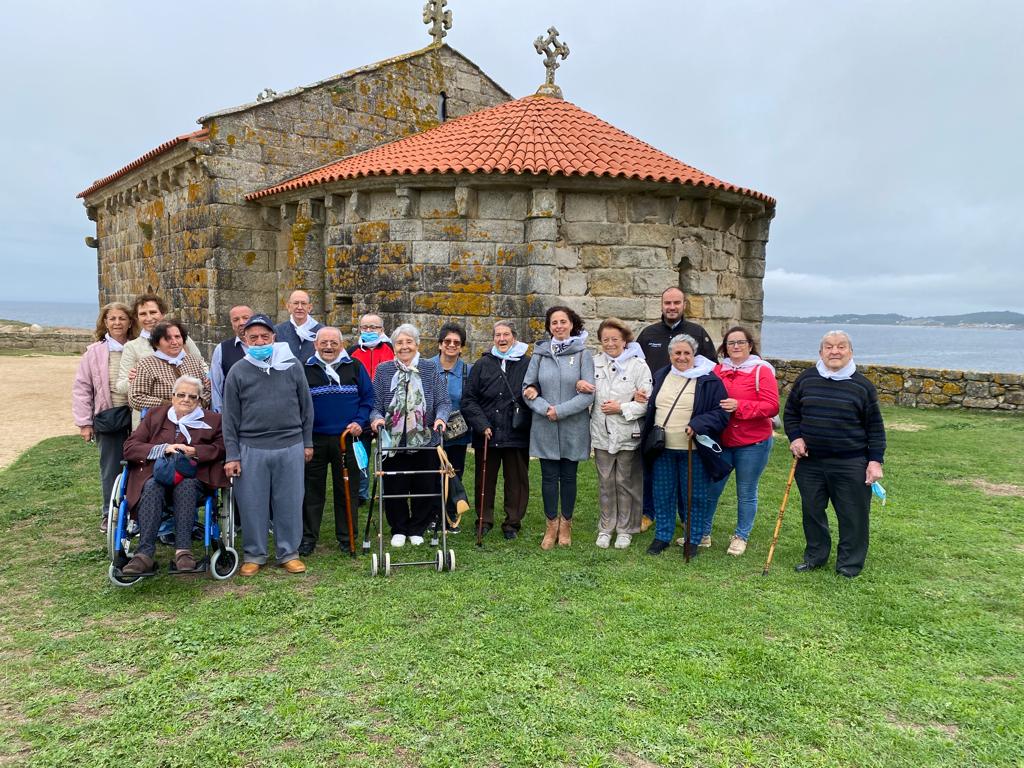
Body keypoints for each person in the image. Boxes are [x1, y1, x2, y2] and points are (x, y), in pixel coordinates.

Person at [784, 330, 886, 578]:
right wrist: (795, 437)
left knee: (853, 515)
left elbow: (874, 427)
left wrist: (875, 461)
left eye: (841, 347)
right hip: (810, 462)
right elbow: (791, 414)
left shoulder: (862, 386)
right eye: (829, 347)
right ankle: (815, 557)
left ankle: (849, 565)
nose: (835, 351)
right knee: (812, 511)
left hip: (850, 462)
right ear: (821, 352)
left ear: (850, 352)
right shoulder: (806, 379)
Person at [222, 314, 314, 576]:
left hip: (291, 444)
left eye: (265, 336)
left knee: (290, 501)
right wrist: (232, 455)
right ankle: (255, 553)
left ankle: (288, 552)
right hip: (252, 447)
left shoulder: (292, 366)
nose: (260, 341)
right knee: (252, 503)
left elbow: (306, 407)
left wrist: (306, 442)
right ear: (245, 340)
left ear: (274, 337)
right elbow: (229, 418)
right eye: (254, 338)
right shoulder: (238, 371)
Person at [119, 376, 228, 575]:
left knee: (186, 484)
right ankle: (143, 554)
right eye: (181, 395)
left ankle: (183, 551)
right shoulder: (155, 416)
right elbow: (130, 447)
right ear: (173, 396)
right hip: (156, 475)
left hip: (195, 479)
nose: (186, 400)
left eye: (192, 397)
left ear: (200, 400)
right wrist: (164, 448)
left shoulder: (213, 420)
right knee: (152, 486)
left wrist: (195, 451)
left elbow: (221, 448)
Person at [636, 287, 717, 531]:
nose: (672, 307)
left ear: (684, 305)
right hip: (655, 411)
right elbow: (636, 367)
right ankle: (648, 512)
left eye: (676, 303)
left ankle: (684, 515)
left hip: (688, 411)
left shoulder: (697, 333)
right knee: (652, 462)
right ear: (661, 305)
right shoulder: (648, 334)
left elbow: (712, 368)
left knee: (686, 469)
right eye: (667, 303)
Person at [642, 334, 729, 558]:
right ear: (670, 355)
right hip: (663, 448)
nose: (682, 357)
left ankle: (693, 538)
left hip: (694, 449)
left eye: (686, 353)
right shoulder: (661, 375)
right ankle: (662, 536)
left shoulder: (709, 380)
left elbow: (721, 413)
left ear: (694, 355)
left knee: (694, 496)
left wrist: (698, 423)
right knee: (662, 494)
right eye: (677, 353)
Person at [369, 324, 450, 547]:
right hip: (393, 441)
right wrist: (376, 419)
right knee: (395, 485)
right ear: (393, 346)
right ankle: (399, 528)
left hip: (425, 438)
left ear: (417, 345)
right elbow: (375, 404)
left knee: (425, 485)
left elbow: (443, 401)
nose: (404, 347)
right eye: (399, 343)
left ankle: (418, 528)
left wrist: (441, 418)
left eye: (409, 342)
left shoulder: (429, 369)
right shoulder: (384, 370)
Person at [702, 326, 779, 556]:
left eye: (740, 342)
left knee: (746, 491)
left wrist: (740, 406)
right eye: (731, 343)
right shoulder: (717, 370)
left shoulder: (761, 371)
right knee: (711, 489)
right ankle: (702, 533)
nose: (736, 346)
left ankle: (740, 536)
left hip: (752, 442)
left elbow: (772, 406)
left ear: (750, 345)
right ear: (724, 347)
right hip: (722, 441)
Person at [523, 306, 595, 549]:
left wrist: (559, 411)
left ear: (572, 324)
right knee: (548, 477)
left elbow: (588, 395)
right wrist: (545, 409)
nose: (559, 326)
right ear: (549, 326)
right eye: (554, 323)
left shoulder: (584, 354)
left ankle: (566, 523)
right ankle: (551, 524)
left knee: (569, 476)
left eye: (563, 322)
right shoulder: (540, 353)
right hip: (545, 424)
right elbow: (528, 389)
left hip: (573, 425)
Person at [300, 326, 373, 556]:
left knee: (347, 490)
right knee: (312, 492)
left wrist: (360, 421)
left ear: (341, 344)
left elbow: (368, 398)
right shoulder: (305, 369)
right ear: (315, 345)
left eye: (333, 342)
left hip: (346, 438)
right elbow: (298, 404)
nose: (328, 346)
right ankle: (308, 539)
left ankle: (347, 537)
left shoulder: (355, 366)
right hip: (315, 439)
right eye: (324, 343)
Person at [461, 321, 532, 540]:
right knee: (485, 479)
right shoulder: (483, 364)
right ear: (493, 339)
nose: (502, 339)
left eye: (506, 335)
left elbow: (535, 388)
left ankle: (512, 522)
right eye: (498, 335)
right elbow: (469, 399)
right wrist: (482, 425)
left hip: (516, 432)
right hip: (487, 433)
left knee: (516, 481)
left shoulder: (528, 363)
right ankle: (484, 519)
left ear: (514, 337)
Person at [72, 302, 137, 531]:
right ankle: (110, 514)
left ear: (130, 322)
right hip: (108, 416)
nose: (117, 323)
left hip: (137, 415)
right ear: (105, 322)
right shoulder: (94, 352)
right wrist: (84, 423)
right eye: (112, 319)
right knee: (111, 468)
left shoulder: (138, 347)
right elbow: (82, 388)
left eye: (122, 318)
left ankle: (137, 514)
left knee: (140, 466)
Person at [589, 318, 652, 549]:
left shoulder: (639, 366)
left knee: (626, 482)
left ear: (625, 340)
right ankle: (606, 527)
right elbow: (587, 393)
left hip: (628, 434)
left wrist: (622, 407)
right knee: (606, 482)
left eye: (615, 339)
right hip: (601, 433)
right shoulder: (593, 363)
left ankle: (625, 529)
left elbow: (646, 402)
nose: (610, 343)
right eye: (605, 339)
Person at [116, 293, 206, 428]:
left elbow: (201, 365)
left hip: (190, 413)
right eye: (143, 314)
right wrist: (133, 380)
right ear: (137, 317)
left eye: (153, 312)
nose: (149, 318)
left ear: (162, 314)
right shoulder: (132, 347)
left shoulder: (182, 339)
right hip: (151, 418)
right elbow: (121, 387)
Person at [348, 312, 395, 502]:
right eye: (365, 327)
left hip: (388, 409)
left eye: (373, 327)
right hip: (361, 409)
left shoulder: (392, 349)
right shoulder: (352, 351)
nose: (369, 331)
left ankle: (386, 493)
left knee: (388, 454)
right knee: (361, 454)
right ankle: (361, 493)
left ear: (382, 330)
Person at [128, 320, 210, 417]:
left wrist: (199, 404)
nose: (174, 342)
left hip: (194, 418)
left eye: (177, 337)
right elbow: (135, 398)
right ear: (156, 343)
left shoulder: (194, 361)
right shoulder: (146, 365)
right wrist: (171, 405)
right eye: (167, 338)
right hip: (161, 420)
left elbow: (207, 389)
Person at [428, 322, 473, 478]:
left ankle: (453, 503)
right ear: (440, 344)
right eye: (447, 341)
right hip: (429, 434)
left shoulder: (469, 371)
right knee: (430, 477)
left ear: (461, 347)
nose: (451, 345)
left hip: (457, 436)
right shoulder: (425, 367)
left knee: (454, 477)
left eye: (457, 342)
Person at [210, 305, 252, 412]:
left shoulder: (269, 347)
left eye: (245, 318)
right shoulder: (222, 349)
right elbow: (216, 386)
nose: (241, 322)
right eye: (236, 319)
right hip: (234, 412)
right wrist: (219, 415)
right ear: (232, 324)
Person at [275, 290, 322, 362]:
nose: (299, 307)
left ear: (309, 307)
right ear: (288, 306)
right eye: (296, 303)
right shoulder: (277, 331)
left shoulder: (321, 331)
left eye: (303, 303)